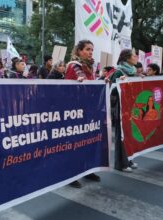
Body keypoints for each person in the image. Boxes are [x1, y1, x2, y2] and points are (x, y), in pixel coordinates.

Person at [65, 40, 100, 188]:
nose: (90, 52)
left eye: (92, 49)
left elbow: (93, 86)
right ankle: (70, 174)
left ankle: (87, 169)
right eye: (87, 49)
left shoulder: (89, 67)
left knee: (87, 142)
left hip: (88, 111)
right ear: (79, 51)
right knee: (75, 144)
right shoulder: (74, 66)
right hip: (75, 112)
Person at [110, 49, 139, 172]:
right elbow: (111, 91)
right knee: (120, 136)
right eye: (133, 55)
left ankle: (129, 159)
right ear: (126, 58)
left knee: (130, 135)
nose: (136, 57)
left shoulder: (133, 72)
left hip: (131, 108)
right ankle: (121, 163)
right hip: (121, 109)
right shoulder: (118, 72)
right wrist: (120, 83)